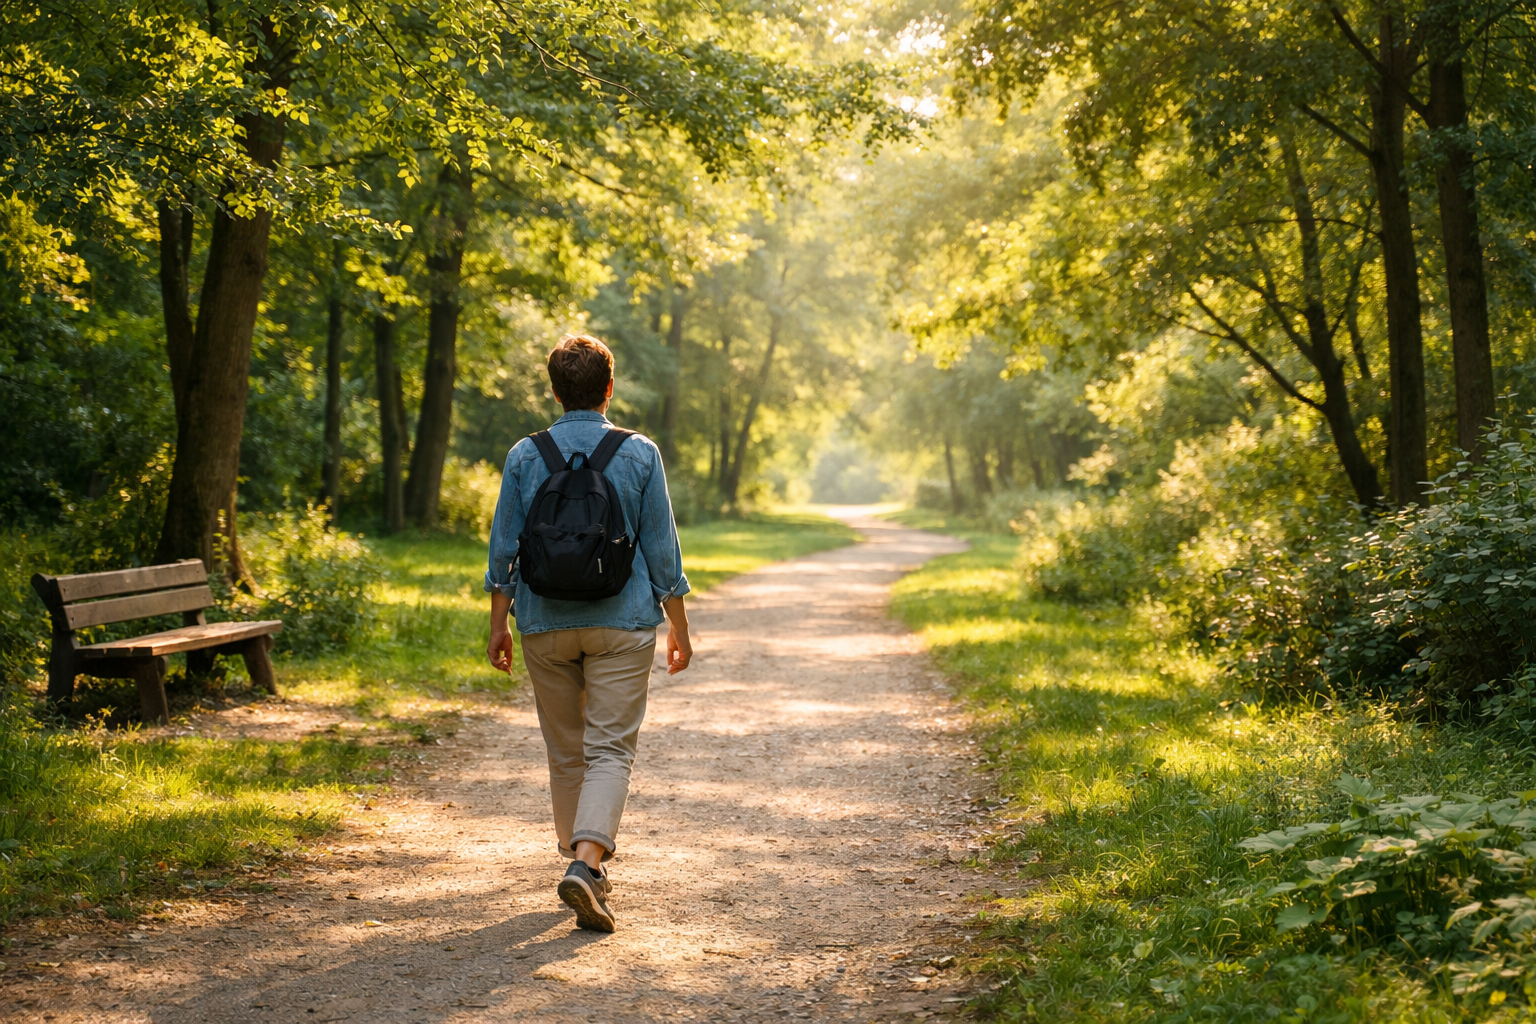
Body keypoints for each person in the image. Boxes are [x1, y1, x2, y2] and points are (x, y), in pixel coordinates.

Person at [484, 333, 693, 933]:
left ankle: (579, 863)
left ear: (554, 391)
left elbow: (504, 549)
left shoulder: (526, 455)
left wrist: (500, 624)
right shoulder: (639, 453)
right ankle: (587, 865)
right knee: (609, 750)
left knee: (565, 751)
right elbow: (662, 549)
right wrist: (679, 625)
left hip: (545, 623)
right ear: (608, 388)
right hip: (622, 622)